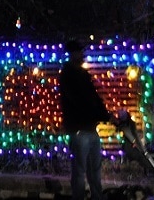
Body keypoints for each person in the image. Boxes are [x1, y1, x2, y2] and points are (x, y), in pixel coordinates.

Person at [59, 39, 115, 200]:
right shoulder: (68, 74)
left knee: (94, 170)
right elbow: (79, 101)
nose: (82, 55)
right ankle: (79, 197)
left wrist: (105, 115)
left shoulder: (83, 74)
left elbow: (94, 98)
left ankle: (97, 196)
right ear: (72, 54)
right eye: (79, 52)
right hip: (79, 129)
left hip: (90, 128)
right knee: (80, 170)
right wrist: (100, 115)